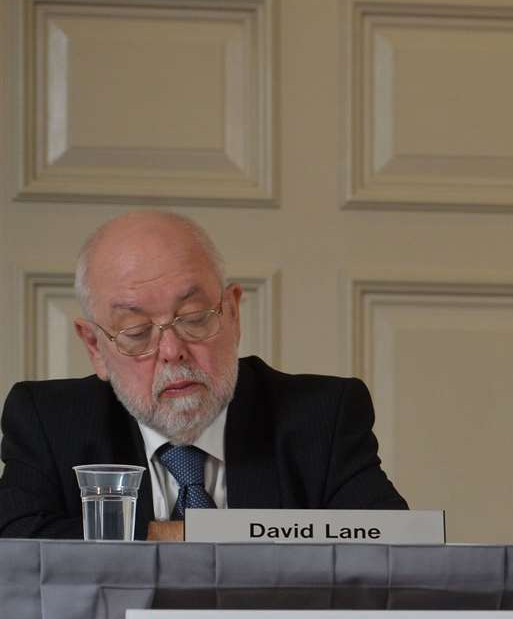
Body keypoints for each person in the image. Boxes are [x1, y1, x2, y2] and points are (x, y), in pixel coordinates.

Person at [0, 210, 406, 540]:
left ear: (232, 312)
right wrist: (177, 538)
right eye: (137, 333)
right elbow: (15, 542)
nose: (173, 351)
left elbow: (397, 550)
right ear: (95, 347)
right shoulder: (50, 422)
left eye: (194, 319)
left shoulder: (321, 417)